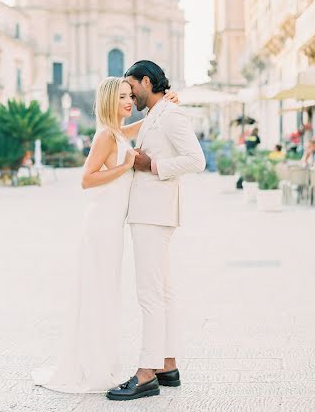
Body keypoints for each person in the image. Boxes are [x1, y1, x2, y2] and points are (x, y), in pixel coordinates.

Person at [32, 77, 178, 393]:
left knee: (105, 296)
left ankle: (100, 362)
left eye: (130, 96)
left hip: (112, 228)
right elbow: (87, 179)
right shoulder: (105, 136)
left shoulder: (115, 134)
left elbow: (132, 130)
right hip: (100, 228)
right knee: (98, 295)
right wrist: (125, 167)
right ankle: (93, 367)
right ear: (109, 101)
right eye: (122, 97)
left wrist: (162, 107)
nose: (128, 101)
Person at [106, 61, 206, 401]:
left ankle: (146, 372)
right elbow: (133, 132)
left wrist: (153, 165)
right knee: (162, 293)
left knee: (149, 293)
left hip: (153, 212)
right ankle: (167, 364)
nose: (130, 93)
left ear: (147, 81)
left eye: (132, 86)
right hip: (153, 211)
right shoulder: (160, 113)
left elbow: (196, 160)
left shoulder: (171, 115)